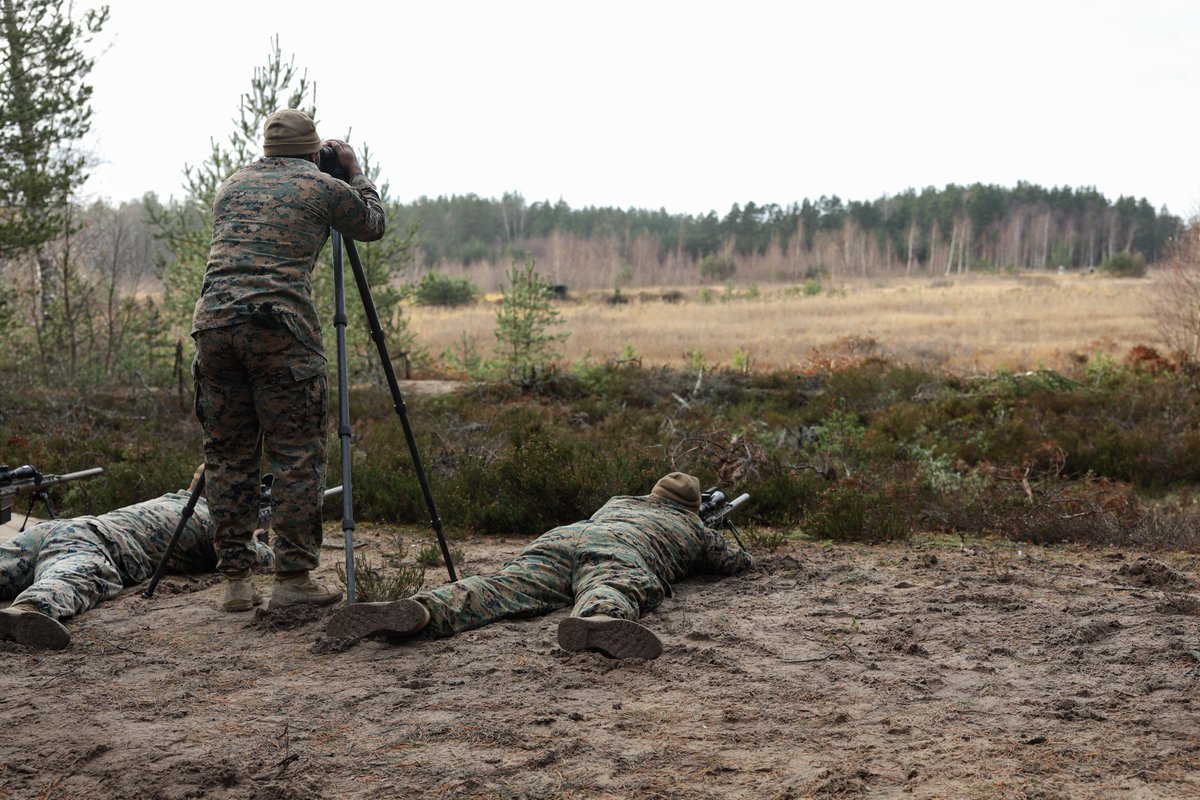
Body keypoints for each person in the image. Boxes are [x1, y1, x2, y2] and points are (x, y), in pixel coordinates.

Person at [191, 108, 385, 613]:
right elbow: (373, 223)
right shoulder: (322, 188)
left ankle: (235, 581)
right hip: (280, 329)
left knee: (228, 452)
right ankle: (293, 578)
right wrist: (354, 170)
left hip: (213, 326)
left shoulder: (231, 186)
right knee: (295, 453)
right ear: (313, 149)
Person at [325, 472, 754, 660]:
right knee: (613, 583)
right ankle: (597, 619)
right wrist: (715, 530)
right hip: (620, 550)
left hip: (561, 538)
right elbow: (735, 562)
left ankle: (423, 609)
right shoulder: (691, 527)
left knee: (500, 586)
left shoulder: (619, 501)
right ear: (691, 508)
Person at [0, 483, 273, 650]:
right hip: (97, 541)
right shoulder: (214, 518)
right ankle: (30, 608)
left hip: (60, 527)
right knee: (73, 576)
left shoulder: (173, 499)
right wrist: (256, 539)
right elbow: (256, 559)